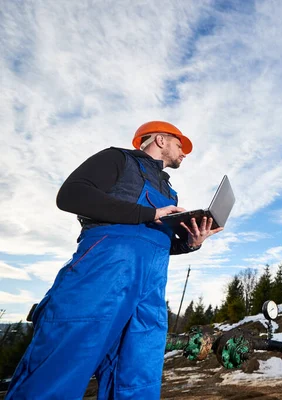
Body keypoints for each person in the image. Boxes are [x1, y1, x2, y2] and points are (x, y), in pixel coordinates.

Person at [6, 121, 223, 399]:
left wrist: (191, 243)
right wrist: (150, 214)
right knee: (59, 369)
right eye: (180, 144)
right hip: (102, 275)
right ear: (160, 140)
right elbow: (71, 195)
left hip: (150, 289)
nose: (184, 153)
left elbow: (158, 241)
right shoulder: (118, 159)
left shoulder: (170, 193)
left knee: (137, 379)